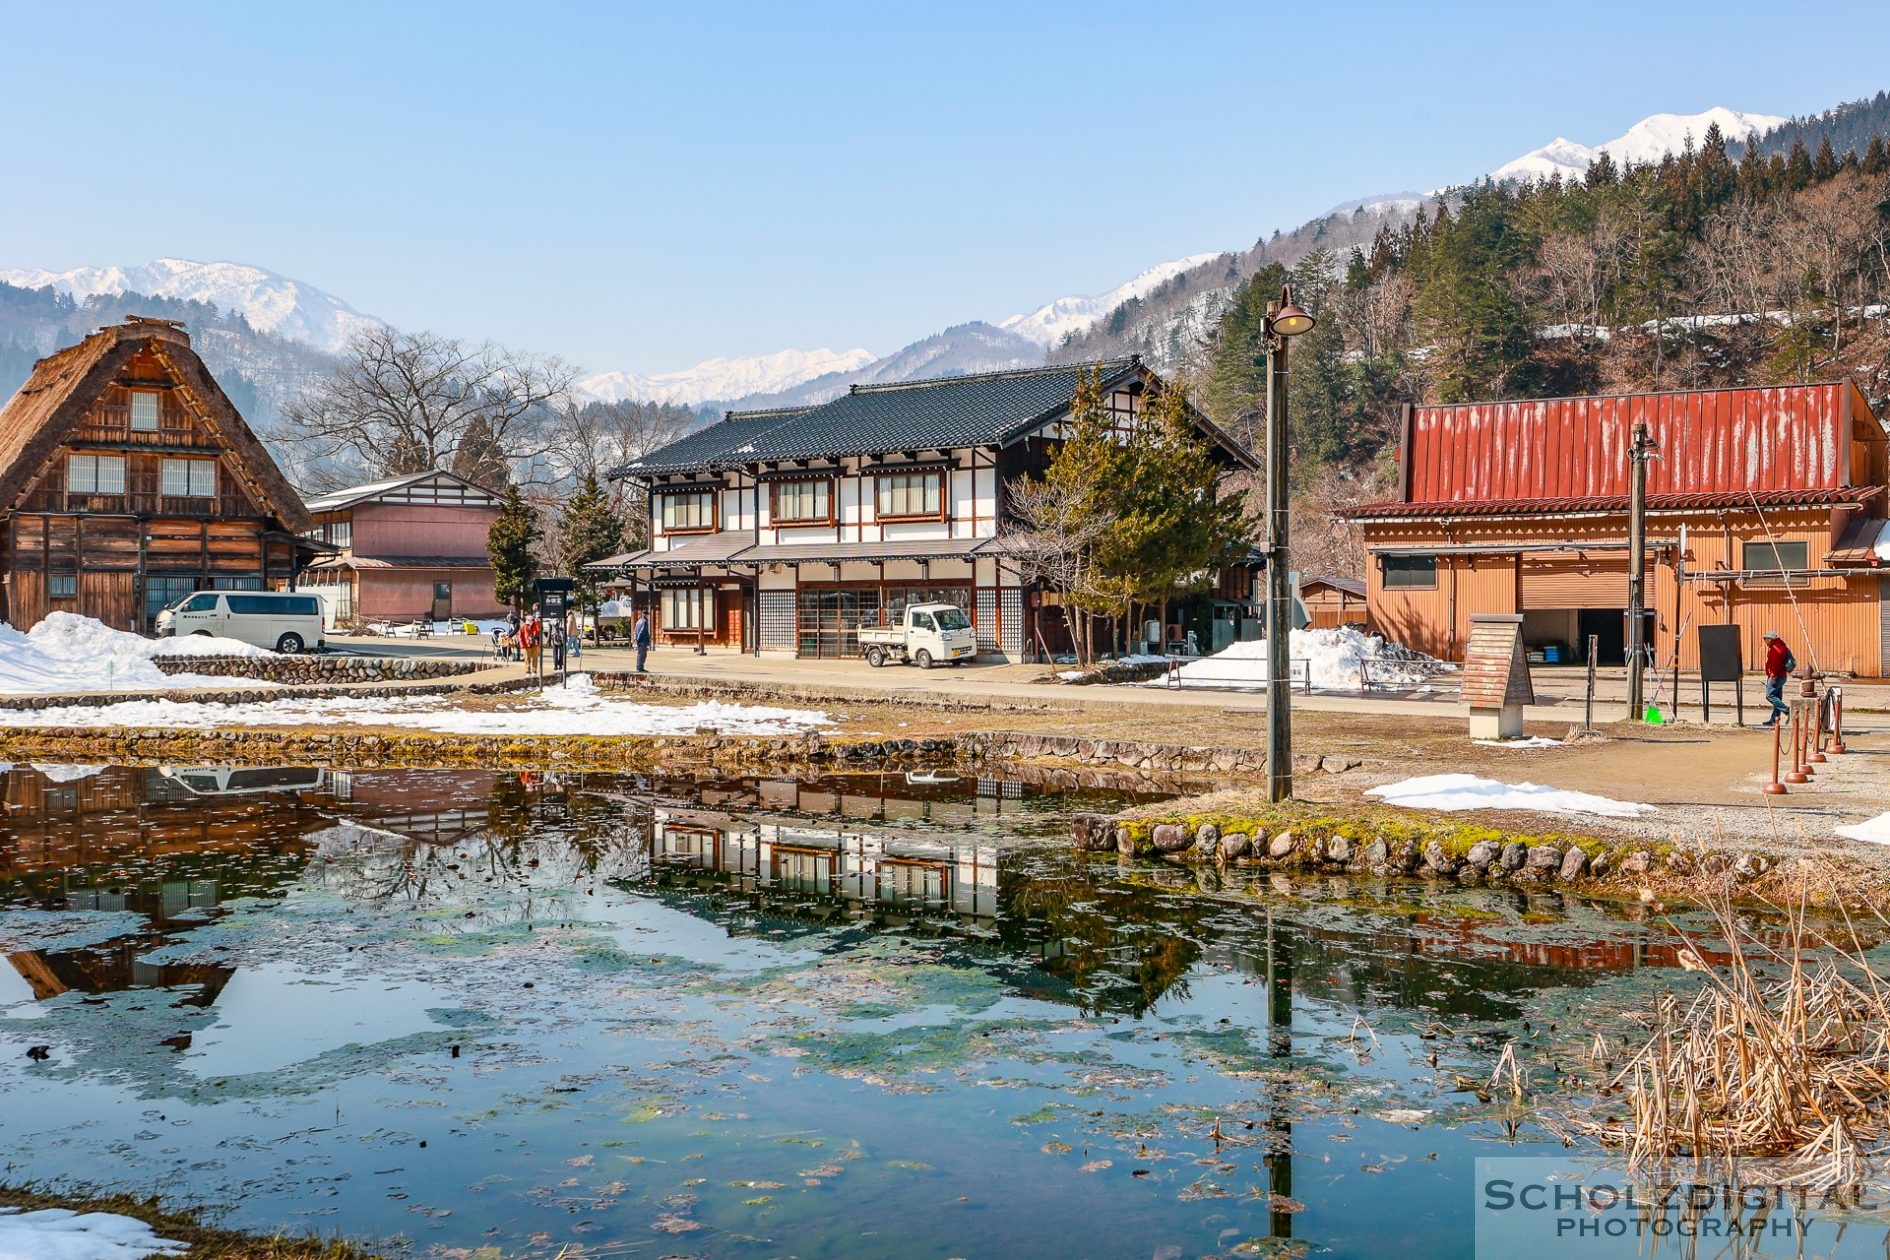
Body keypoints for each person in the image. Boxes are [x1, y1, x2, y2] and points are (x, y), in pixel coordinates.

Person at [1760, 630, 1795, 727]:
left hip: (1776, 676)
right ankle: (1774, 720)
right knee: (1777, 698)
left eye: (1765, 639)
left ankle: (1788, 711)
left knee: (1770, 696)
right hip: (1782, 676)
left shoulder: (1775, 648)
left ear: (1770, 639)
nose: (1764, 641)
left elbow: (1775, 664)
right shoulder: (1781, 646)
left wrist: (1773, 676)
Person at [519, 610, 543, 676]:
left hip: (535, 644)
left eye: (530, 615)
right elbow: (520, 636)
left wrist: (537, 621)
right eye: (527, 615)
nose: (529, 616)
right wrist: (522, 645)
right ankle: (527, 672)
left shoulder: (536, 623)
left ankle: (534, 671)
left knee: (535, 659)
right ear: (525, 617)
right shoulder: (523, 625)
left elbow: (539, 629)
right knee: (527, 659)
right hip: (526, 645)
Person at [633, 609, 652, 674]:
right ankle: (640, 668)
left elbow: (635, 631)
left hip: (638, 641)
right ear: (645, 615)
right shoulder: (644, 622)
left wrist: (635, 639)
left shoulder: (638, 621)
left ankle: (638, 667)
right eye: (647, 615)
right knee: (643, 655)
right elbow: (642, 631)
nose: (648, 616)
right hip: (643, 640)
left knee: (639, 654)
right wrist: (638, 639)